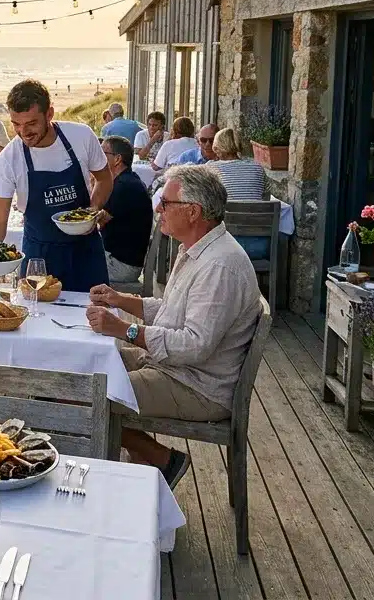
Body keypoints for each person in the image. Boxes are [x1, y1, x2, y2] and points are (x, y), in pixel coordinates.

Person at [85, 166, 261, 488]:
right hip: (175, 369)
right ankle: (149, 463)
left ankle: (160, 460)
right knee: (82, 368)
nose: (157, 209)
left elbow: (193, 345)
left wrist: (125, 330)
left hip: (198, 386)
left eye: (165, 203)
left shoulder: (220, 266)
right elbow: (171, 312)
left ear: (193, 212)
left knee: (88, 395)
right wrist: (120, 299)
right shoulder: (198, 249)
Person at [0, 79, 113, 292]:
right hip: (39, 257)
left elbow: (104, 178)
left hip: (86, 250)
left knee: (93, 317)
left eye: (31, 123)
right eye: (16, 124)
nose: (23, 132)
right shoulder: (9, 158)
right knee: (37, 319)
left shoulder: (81, 136)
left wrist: (92, 210)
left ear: (49, 114)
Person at [95, 136, 153, 284]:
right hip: (120, 258)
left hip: (121, 266)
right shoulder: (127, 180)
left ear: (117, 159)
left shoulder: (124, 187)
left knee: (69, 265)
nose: (98, 157)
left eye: (102, 153)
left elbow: (95, 224)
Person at [206, 128, 265, 201]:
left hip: (224, 212)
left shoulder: (210, 168)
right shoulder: (257, 167)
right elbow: (265, 195)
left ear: (218, 147)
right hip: (256, 211)